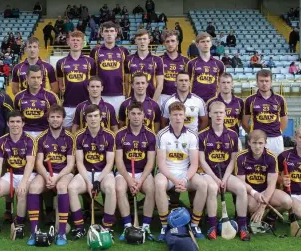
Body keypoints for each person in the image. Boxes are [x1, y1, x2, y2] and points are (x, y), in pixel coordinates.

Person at [154, 101, 208, 241]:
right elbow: (161, 164)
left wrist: (184, 179)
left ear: (185, 116)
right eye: (174, 115)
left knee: (202, 184)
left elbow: (194, 164)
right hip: (168, 174)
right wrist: (174, 180)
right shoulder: (162, 135)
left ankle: (195, 224)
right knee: (159, 183)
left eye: (180, 114)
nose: (178, 118)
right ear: (169, 117)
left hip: (185, 174)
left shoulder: (192, 135)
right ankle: (164, 225)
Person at [198, 101, 250, 241]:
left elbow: (233, 160)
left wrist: (225, 179)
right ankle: (212, 226)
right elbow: (202, 161)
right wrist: (216, 179)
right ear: (210, 114)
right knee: (213, 188)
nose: (218, 115)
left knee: (241, 188)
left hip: (226, 173)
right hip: (208, 174)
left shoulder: (232, 135)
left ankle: (243, 226)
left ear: (225, 114)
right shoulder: (202, 135)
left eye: (221, 112)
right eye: (215, 112)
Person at [27, 105, 75, 246]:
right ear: (48, 119)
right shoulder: (41, 138)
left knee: (61, 187)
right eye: (52, 117)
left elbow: (70, 164)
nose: (55, 120)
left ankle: (61, 232)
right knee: (34, 187)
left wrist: (56, 177)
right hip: (46, 173)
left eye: (58, 117)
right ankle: (34, 230)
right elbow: (39, 163)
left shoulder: (70, 138)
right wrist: (47, 176)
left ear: (63, 119)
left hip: (64, 173)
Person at [68, 104, 117, 239]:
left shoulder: (110, 136)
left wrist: (97, 181)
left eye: (96, 116)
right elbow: (79, 162)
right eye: (90, 116)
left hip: (104, 173)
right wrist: (89, 182)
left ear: (101, 117)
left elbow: (109, 163)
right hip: (86, 172)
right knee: (71, 187)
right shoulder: (78, 136)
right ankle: (79, 227)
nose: (93, 119)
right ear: (85, 118)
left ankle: (107, 227)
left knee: (111, 187)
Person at [0, 111, 36, 238]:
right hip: (11, 174)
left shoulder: (30, 140)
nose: (15, 125)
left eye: (18, 121)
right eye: (12, 122)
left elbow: (30, 164)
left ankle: (19, 225)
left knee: (22, 192)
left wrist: (24, 182)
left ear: (23, 123)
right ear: (8, 123)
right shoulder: (2, 140)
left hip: (28, 175)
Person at [115, 101, 156, 241]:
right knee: (120, 189)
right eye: (133, 114)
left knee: (151, 188)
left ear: (144, 115)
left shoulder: (150, 135)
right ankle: (127, 225)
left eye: (139, 114)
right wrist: (129, 180)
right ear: (128, 115)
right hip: (124, 172)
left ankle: (146, 226)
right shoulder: (120, 134)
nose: (136, 117)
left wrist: (140, 181)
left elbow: (150, 162)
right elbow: (119, 162)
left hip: (142, 173)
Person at [236, 129, 293, 229]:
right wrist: (254, 193)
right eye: (254, 143)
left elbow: (272, 184)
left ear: (265, 143)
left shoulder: (271, 157)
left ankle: (269, 218)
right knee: (251, 206)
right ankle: (250, 217)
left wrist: (262, 206)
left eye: (260, 143)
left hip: (266, 191)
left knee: (287, 202)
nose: (257, 146)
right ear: (249, 142)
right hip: (250, 192)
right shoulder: (241, 157)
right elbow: (241, 182)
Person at [56, 31, 96, 129]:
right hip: (68, 105)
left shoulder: (90, 61)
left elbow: (94, 83)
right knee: (67, 133)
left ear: (82, 43)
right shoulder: (61, 62)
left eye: (78, 40)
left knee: (85, 132)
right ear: (68, 42)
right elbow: (60, 85)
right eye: (73, 40)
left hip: (87, 103)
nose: (75, 42)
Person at [242, 69, 288, 156]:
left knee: (277, 166)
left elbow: (284, 121)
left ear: (271, 82)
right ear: (257, 82)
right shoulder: (250, 100)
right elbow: (244, 123)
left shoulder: (280, 99)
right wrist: (254, 135)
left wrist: (277, 132)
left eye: (267, 81)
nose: (264, 83)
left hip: (276, 139)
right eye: (261, 81)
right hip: (257, 140)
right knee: (257, 167)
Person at [90, 21, 130, 114]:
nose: (109, 34)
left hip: (120, 94)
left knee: (119, 123)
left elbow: (127, 75)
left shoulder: (123, 51)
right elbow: (91, 75)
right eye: (106, 31)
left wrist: (127, 94)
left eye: (112, 31)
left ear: (116, 33)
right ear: (102, 33)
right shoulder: (95, 51)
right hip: (100, 95)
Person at [14, 64, 60, 138]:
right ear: (27, 78)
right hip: (25, 133)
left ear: (41, 78)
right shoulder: (18, 97)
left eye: (38, 77)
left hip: (45, 133)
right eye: (33, 77)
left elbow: (58, 118)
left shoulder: (51, 97)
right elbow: (15, 118)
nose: (36, 80)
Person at [125, 29, 164, 102]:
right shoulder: (128, 59)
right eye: (139, 39)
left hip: (151, 99)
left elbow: (160, 85)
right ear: (135, 41)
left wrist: (153, 102)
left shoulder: (157, 60)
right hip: (133, 101)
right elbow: (126, 82)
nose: (142, 41)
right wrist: (128, 98)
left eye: (144, 39)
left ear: (149, 40)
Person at [207, 73, 244, 149]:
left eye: (228, 82)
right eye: (223, 82)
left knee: (236, 160)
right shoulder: (211, 102)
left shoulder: (239, 102)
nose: (226, 85)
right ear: (218, 84)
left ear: (232, 84)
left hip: (234, 138)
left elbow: (241, 121)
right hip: (214, 139)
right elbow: (208, 122)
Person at [186, 32, 225, 102]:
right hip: (195, 101)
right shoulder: (191, 63)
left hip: (213, 102)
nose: (205, 44)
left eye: (208, 41)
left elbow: (222, 84)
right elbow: (186, 83)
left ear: (211, 43)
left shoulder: (219, 64)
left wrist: (218, 99)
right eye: (202, 41)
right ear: (197, 44)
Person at [160, 30, 190, 107]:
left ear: (177, 42)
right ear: (164, 43)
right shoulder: (159, 60)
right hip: (163, 97)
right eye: (167, 41)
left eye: (173, 41)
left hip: (181, 97)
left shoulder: (186, 61)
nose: (170, 44)